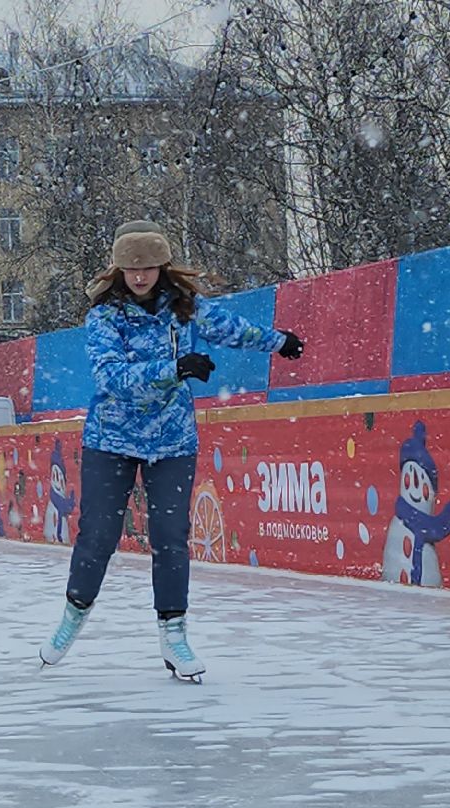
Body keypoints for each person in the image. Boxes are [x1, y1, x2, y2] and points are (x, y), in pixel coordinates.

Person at [37, 220, 304, 681]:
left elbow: (230, 328)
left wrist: (279, 341)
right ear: (118, 270)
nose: (140, 276)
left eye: (148, 267)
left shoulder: (186, 309)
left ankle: (174, 635)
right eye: (130, 268)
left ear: (163, 267)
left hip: (172, 440)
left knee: (171, 537)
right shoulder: (104, 317)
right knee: (98, 534)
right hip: (111, 439)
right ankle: (72, 615)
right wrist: (174, 368)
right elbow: (111, 379)